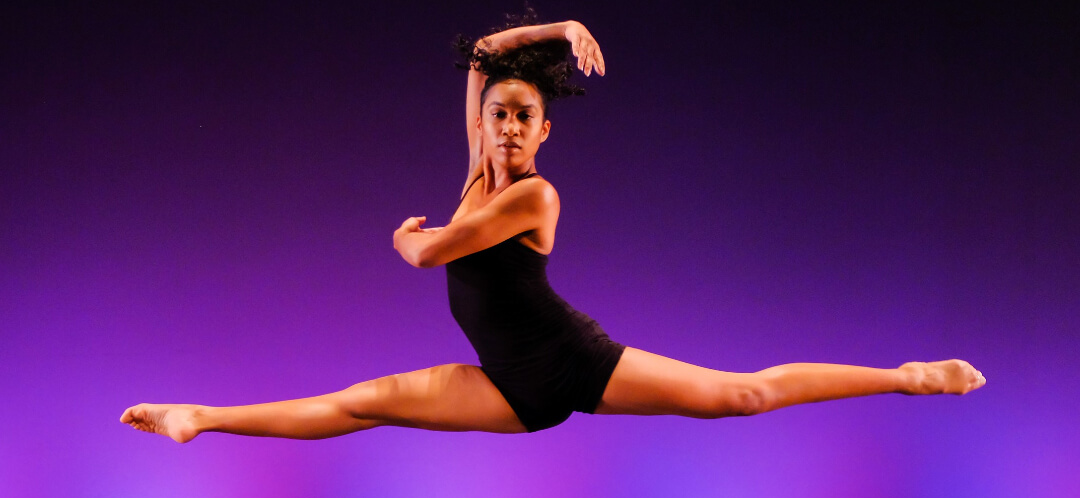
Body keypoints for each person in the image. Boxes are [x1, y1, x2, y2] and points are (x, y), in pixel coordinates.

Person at [121, 18, 985, 443]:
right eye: (497, 114)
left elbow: (427, 251)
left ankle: (910, 376)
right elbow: (482, 53)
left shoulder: (532, 199)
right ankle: (198, 416)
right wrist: (559, 29)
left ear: (543, 132)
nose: (504, 127)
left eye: (522, 117)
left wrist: (404, 240)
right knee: (361, 404)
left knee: (740, 396)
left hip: (575, 362)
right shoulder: (472, 170)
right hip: (509, 386)